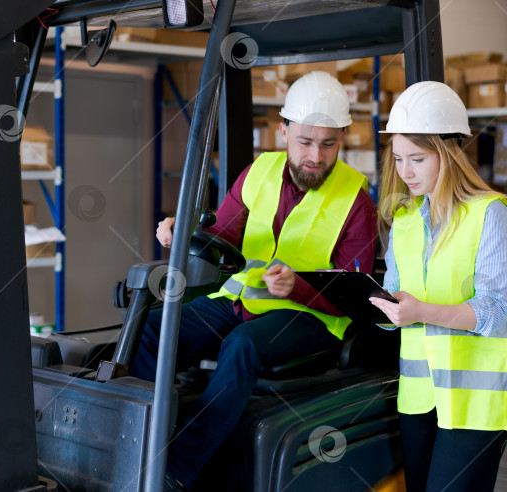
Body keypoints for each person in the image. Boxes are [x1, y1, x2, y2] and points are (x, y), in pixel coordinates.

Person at [130, 71, 378, 491]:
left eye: (328, 144)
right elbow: (222, 236)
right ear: (284, 132)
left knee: (242, 345)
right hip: (243, 299)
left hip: (311, 317)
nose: (315, 155)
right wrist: (183, 231)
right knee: (152, 326)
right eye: (305, 141)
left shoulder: (358, 202)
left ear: (342, 138)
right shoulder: (259, 172)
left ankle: (176, 471)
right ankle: (137, 445)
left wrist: (297, 287)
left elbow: (355, 295)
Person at [368, 81, 507, 492]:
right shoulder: (404, 221)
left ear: (448, 153)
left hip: (475, 402)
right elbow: (396, 302)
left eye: (417, 159)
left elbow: (494, 311)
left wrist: (420, 311)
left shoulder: (491, 214)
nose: (405, 172)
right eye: (398, 158)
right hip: (418, 396)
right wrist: (380, 307)